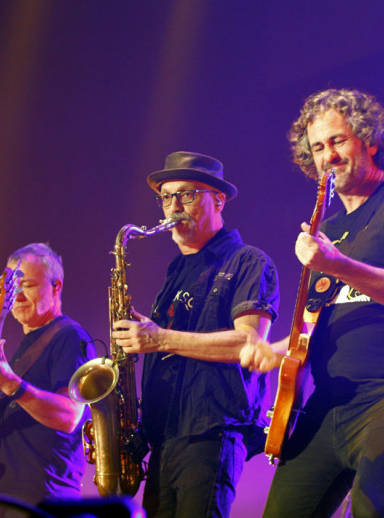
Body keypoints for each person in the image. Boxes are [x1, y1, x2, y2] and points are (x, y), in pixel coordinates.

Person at [241, 89, 384, 517]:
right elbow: (319, 325)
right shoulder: (329, 228)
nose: (328, 155)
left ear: (369, 141)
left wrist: (336, 262)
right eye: (317, 147)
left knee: (373, 507)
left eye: (338, 141)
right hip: (329, 401)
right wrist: (272, 352)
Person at [110, 151, 280, 518]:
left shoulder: (249, 261)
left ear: (218, 199)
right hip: (164, 438)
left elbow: (248, 343)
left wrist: (160, 339)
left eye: (187, 194)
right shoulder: (176, 271)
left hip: (210, 433)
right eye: (166, 197)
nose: (173, 207)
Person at [0, 243, 92, 516]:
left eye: (27, 285)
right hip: (2, 498)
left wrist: (10, 384)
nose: (17, 296)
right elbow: (22, 417)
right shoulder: (24, 348)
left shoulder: (69, 337)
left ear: (56, 286)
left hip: (40, 499)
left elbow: (70, 416)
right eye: (13, 289)